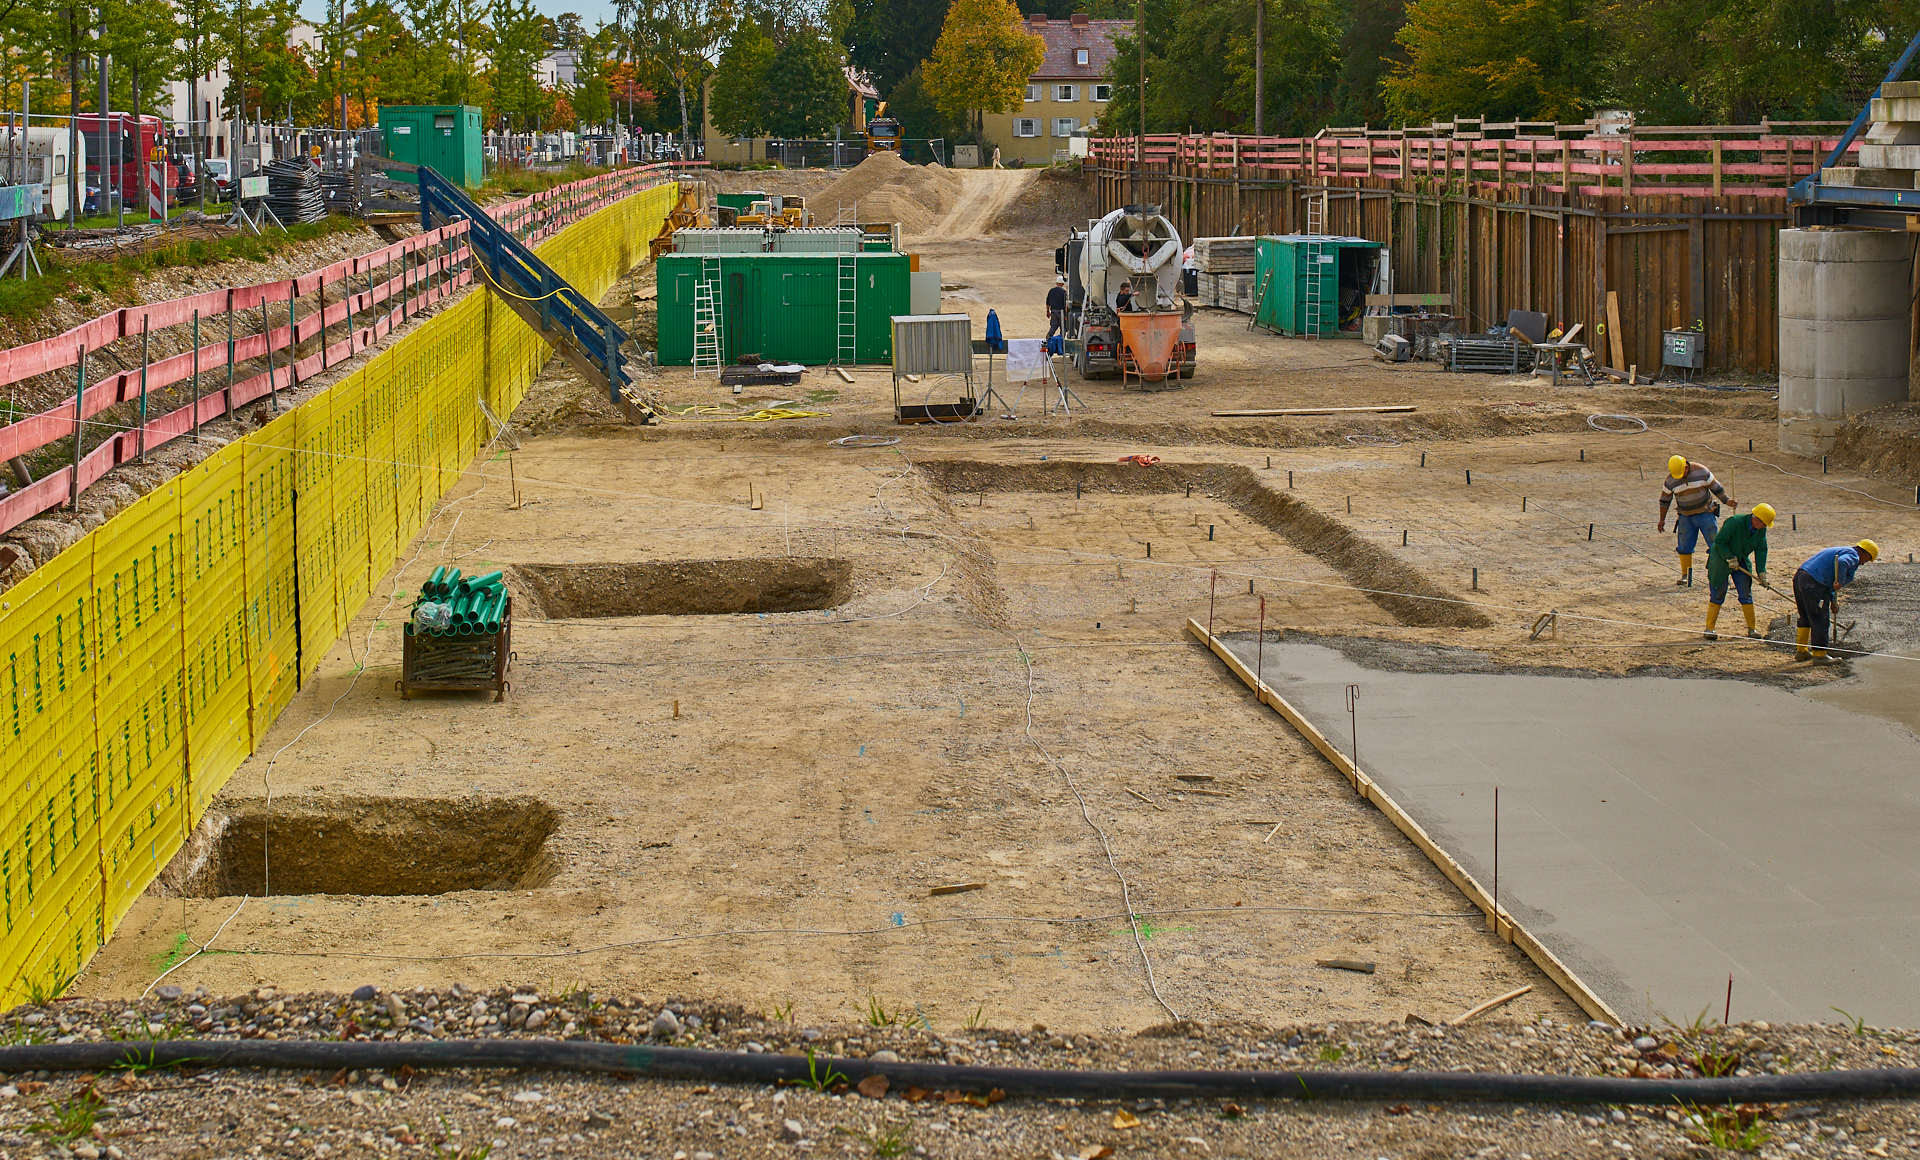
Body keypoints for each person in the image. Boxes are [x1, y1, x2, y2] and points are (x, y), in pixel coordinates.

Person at [1792, 540, 1877, 663]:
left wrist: (1833, 601)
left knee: (1805, 616)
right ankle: (1820, 655)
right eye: (1867, 560)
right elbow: (1842, 563)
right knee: (1820, 619)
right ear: (1865, 553)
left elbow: (1831, 580)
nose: (1863, 563)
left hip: (1800, 578)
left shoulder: (1841, 550)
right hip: (1814, 583)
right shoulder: (1853, 555)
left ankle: (1801, 651)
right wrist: (1841, 581)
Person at [1657, 455, 1734, 586]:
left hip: (1705, 514)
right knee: (1684, 546)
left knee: (1715, 545)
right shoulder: (1670, 480)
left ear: (1686, 467)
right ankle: (1685, 575)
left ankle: (1721, 573)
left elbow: (1717, 488)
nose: (1680, 477)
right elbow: (1665, 500)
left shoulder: (1702, 471)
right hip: (1685, 517)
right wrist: (1661, 520)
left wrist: (1726, 501)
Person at [1703, 503, 1774, 641]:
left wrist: (1762, 572)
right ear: (1756, 519)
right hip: (1720, 560)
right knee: (1718, 592)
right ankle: (1709, 629)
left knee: (1745, 593)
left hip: (1740, 559)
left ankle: (1752, 629)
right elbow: (1720, 541)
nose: (1765, 526)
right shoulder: (1734, 522)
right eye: (1764, 523)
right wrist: (1729, 557)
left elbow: (1761, 549)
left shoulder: (1760, 530)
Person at [1046, 275, 1067, 340]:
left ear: (1057, 283)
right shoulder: (1064, 292)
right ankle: (1061, 340)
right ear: (1063, 283)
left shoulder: (1051, 291)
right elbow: (1065, 305)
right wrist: (1066, 315)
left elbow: (1047, 303)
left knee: (1053, 326)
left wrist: (1048, 311)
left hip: (1053, 312)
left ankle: (1049, 336)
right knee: (1063, 327)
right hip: (1061, 312)